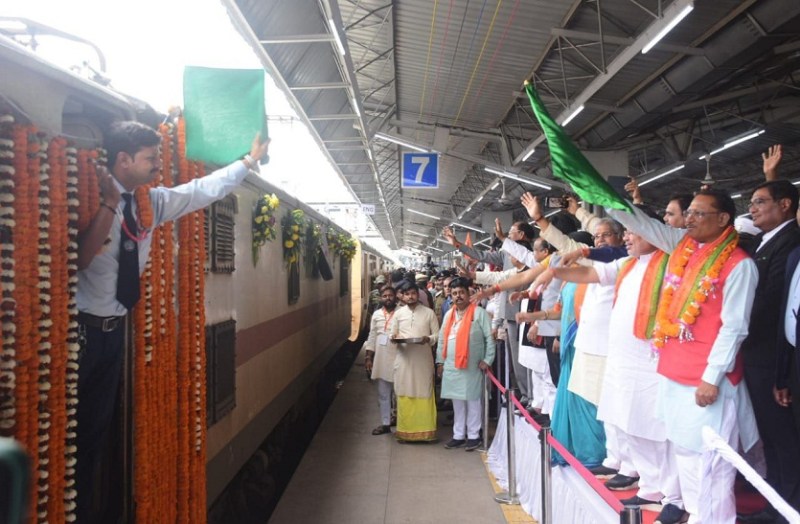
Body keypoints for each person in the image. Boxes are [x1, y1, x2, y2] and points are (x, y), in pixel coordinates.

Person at [76, 120, 269, 521]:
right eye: (151, 159)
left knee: (94, 433)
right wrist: (109, 203)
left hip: (114, 334)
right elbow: (78, 258)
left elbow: (199, 191)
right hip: (80, 334)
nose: (158, 166)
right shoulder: (89, 194)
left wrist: (248, 162)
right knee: (72, 437)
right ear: (124, 159)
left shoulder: (150, 202)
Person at [607, 189, 760, 523]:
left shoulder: (739, 265)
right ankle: (694, 514)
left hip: (708, 383)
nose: (688, 220)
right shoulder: (685, 249)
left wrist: (711, 378)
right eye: (686, 213)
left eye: (697, 214)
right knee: (684, 454)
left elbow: (734, 328)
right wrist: (604, 197)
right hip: (675, 372)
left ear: (723, 219)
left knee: (709, 464)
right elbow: (644, 225)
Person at [551, 230, 684, 522]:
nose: (626, 238)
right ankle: (649, 486)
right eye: (624, 233)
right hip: (622, 359)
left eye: (632, 232)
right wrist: (553, 271)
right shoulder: (628, 264)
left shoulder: (672, 261)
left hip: (651, 360)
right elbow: (590, 276)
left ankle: (673, 495)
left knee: (655, 429)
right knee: (628, 422)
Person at [739, 180, 800, 520]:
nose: (753, 208)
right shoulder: (766, 243)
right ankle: (775, 499)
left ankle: (787, 505)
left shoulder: (790, 242)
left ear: (786, 204)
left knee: (783, 436)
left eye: (761, 201)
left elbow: (769, 302)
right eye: (752, 202)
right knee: (771, 436)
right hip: (760, 356)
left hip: (772, 355)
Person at [436, 277, 495, 451]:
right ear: (451, 296)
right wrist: (440, 361)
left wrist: (488, 360)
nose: (458, 296)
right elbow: (441, 339)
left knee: (473, 401)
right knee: (457, 402)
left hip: (473, 367)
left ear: (469, 294)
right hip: (452, 367)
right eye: (454, 293)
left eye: (462, 292)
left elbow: (489, 339)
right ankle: (458, 435)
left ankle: (474, 436)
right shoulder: (449, 314)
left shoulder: (479, 313)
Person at [390, 281, 440, 442]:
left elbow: (437, 336)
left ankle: (426, 433)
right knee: (405, 391)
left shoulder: (429, 313)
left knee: (424, 390)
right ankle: (405, 432)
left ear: (418, 295)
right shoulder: (398, 314)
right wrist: (394, 338)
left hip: (423, 360)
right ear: (402, 296)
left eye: (413, 293)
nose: (410, 297)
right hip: (404, 359)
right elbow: (393, 334)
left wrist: (428, 339)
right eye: (406, 294)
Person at [364, 285, 400, 435]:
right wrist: (368, 357)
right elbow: (372, 336)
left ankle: (402, 424)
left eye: (390, 295)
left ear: (395, 297)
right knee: (383, 393)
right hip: (381, 358)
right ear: (381, 298)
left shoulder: (402, 313)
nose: (388, 298)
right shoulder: (377, 314)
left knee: (399, 393)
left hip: (399, 357)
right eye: (384, 296)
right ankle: (385, 424)